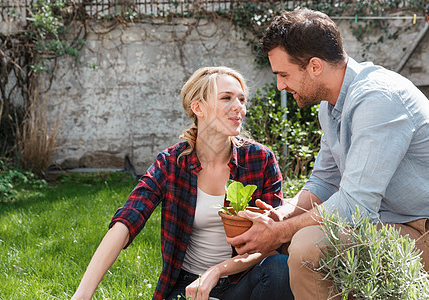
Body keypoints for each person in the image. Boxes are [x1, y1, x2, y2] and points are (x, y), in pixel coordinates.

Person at [227, 8, 429, 300]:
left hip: (419, 226)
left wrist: (279, 232)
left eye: (284, 74)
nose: (280, 85)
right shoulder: (331, 106)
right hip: (388, 222)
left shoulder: (378, 100)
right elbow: (324, 181)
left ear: (315, 66)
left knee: (310, 245)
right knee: (295, 237)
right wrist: (281, 214)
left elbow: (354, 208)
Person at [71, 66, 293, 300]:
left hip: (242, 282)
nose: (239, 107)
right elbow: (127, 220)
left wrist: (217, 271)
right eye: (227, 98)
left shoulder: (260, 159)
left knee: (279, 267)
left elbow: (270, 240)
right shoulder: (171, 163)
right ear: (198, 107)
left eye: (242, 99)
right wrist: (83, 294)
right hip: (189, 286)